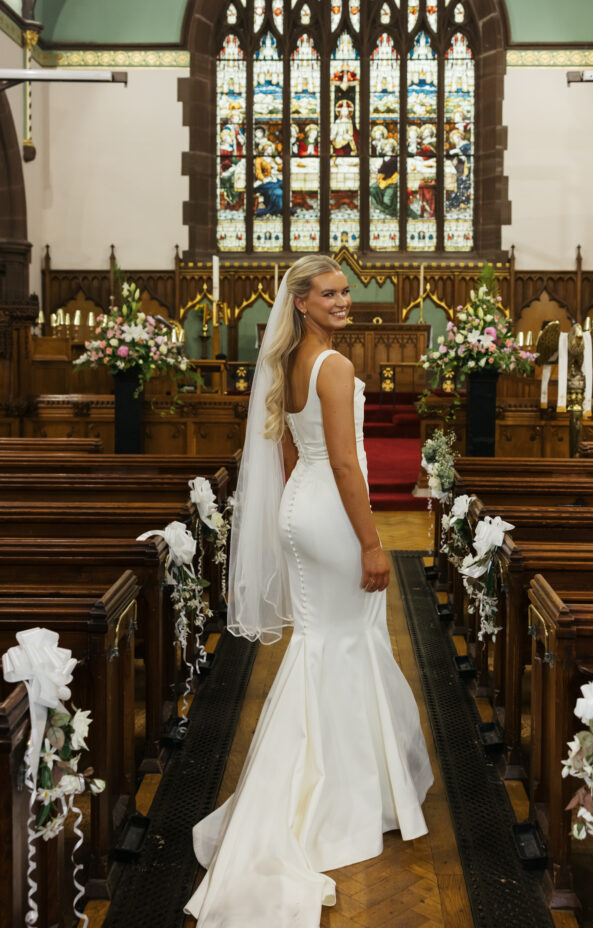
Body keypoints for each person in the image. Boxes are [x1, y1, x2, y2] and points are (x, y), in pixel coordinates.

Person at [185, 255, 433, 927]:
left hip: (302, 506)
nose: (343, 300)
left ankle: (335, 782)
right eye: (328, 293)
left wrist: (299, 507)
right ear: (300, 302)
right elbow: (347, 462)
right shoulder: (336, 366)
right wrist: (373, 541)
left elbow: (293, 453)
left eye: (344, 290)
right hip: (331, 514)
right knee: (343, 641)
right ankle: (334, 795)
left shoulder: (292, 365)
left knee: (325, 642)